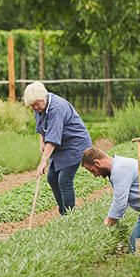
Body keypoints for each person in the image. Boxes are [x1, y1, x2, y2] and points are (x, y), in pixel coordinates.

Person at [81, 146, 140, 253]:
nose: (95, 175)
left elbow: (120, 202)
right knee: (134, 246)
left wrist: (106, 224)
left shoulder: (120, 168)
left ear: (97, 163)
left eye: (92, 171)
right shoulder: (117, 168)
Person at [23, 81, 92, 215]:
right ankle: (63, 212)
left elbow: (53, 139)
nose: (35, 107)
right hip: (61, 146)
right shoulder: (39, 107)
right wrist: (41, 142)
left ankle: (70, 216)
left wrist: (43, 161)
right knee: (52, 178)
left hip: (75, 145)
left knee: (64, 180)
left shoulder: (56, 108)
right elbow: (41, 129)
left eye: (37, 103)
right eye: (32, 105)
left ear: (44, 97)